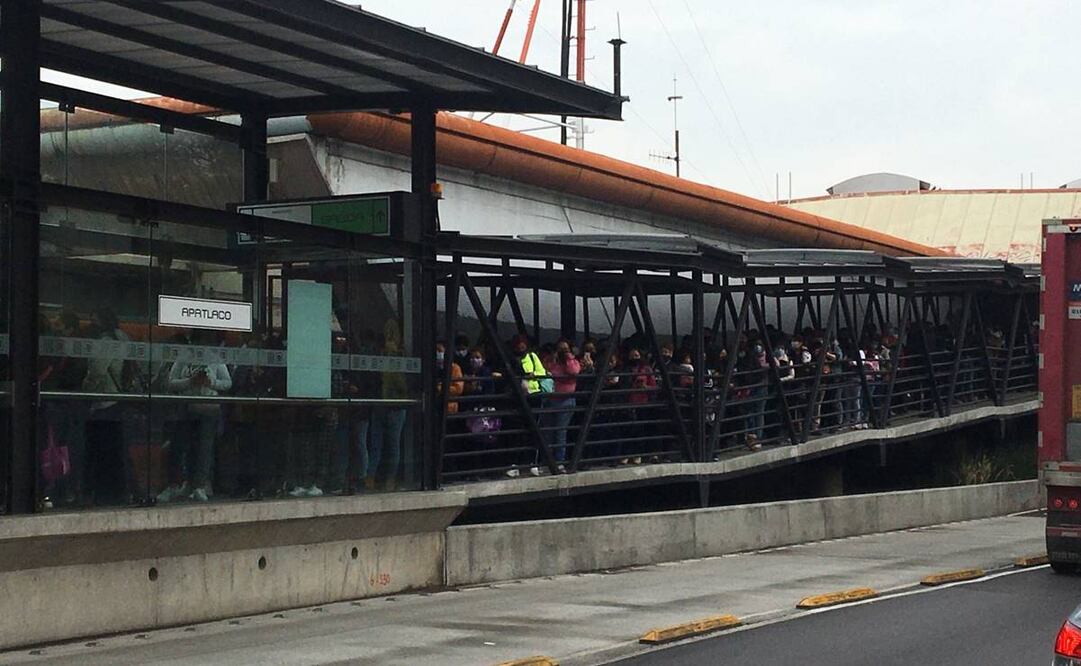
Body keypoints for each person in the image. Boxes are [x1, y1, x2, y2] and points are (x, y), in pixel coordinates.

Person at [159, 328, 232, 503]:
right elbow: (171, 382)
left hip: (208, 408)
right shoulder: (184, 358)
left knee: (203, 448)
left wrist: (211, 382)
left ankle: (199, 484)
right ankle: (181, 482)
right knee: (181, 445)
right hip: (187, 407)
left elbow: (228, 382)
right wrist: (190, 382)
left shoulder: (214, 359)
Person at [369, 320, 408, 490]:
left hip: (385, 404)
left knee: (378, 445)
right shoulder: (401, 356)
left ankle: (371, 479)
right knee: (392, 446)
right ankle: (388, 480)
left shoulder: (382, 356)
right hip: (394, 406)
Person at [543, 339, 580, 468]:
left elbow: (574, 372)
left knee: (560, 432)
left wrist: (568, 358)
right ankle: (547, 460)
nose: (562, 351)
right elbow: (545, 370)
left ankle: (559, 462)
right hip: (551, 399)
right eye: (560, 349)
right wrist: (553, 358)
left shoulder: (573, 362)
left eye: (565, 349)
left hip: (566, 401)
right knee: (548, 431)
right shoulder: (554, 362)